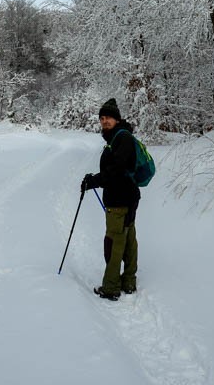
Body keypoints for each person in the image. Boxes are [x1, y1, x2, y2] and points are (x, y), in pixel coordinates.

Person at [81, 98, 140, 301]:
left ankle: (111, 287)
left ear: (117, 119)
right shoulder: (119, 137)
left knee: (114, 242)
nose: (104, 121)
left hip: (119, 200)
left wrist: (94, 181)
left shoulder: (121, 139)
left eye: (108, 118)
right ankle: (129, 282)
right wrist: (96, 179)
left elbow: (116, 170)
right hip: (128, 198)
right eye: (102, 118)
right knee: (128, 239)